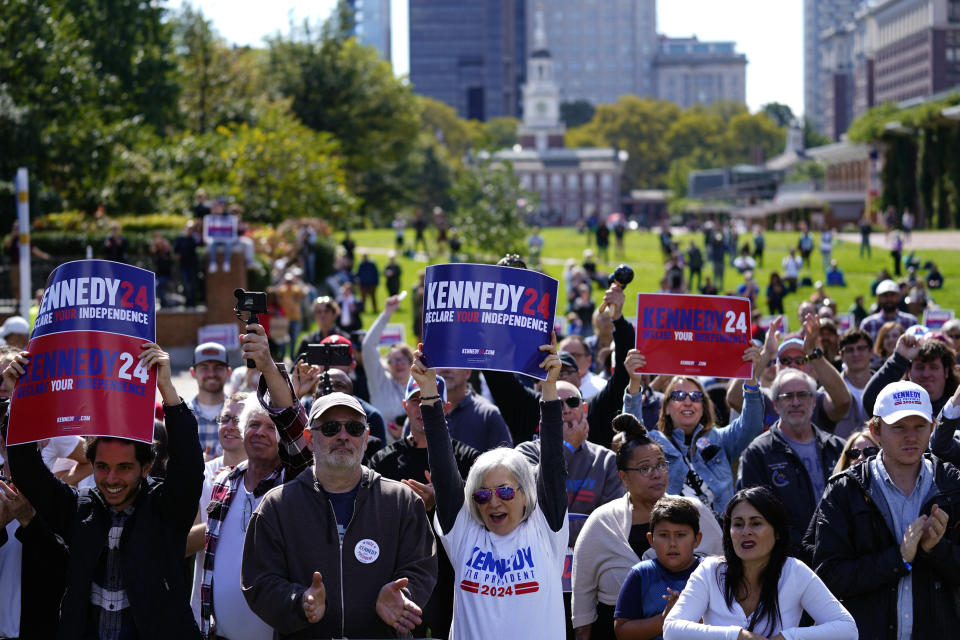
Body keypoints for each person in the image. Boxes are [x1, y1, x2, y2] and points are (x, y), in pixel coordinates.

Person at [6, 343, 206, 639]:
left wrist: (167, 388)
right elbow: (28, 472)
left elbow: (189, 464)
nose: (111, 478)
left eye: (124, 467)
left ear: (146, 467)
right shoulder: (78, 509)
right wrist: (18, 399)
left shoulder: (167, 509)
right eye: (102, 467)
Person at [240, 387, 437, 638]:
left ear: (365, 438)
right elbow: (260, 582)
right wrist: (300, 603)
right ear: (310, 438)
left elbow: (421, 567)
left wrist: (403, 597)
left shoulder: (402, 502)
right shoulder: (277, 506)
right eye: (331, 428)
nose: (343, 436)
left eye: (354, 429)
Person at [416, 339, 569, 640]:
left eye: (506, 492)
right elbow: (445, 474)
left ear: (526, 495)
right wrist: (428, 392)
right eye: (482, 495)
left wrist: (549, 389)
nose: (493, 502)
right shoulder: (464, 533)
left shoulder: (545, 528)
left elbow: (552, 463)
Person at [808, 381, 960, 638]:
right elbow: (828, 577)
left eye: (920, 426)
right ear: (875, 431)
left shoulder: (953, 485)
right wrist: (898, 559)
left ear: (932, 428)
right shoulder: (845, 489)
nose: (911, 436)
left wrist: (937, 549)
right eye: (899, 427)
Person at [198, 325, 311, 639]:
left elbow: (291, 421)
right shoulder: (223, 483)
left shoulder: (295, 483)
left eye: (269, 427)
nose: (260, 432)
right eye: (253, 425)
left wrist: (267, 366)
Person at [573, 418, 722, 640]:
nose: (657, 473)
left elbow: (726, 572)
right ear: (623, 476)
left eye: (662, 464)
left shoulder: (695, 511)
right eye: (645, 468)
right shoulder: (602, 522)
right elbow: (582, 608)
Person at [663, 486, 857, 639]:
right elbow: (672, 630)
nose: (746, 531)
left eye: (756, 523)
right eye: (738, 524)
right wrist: (737, 636)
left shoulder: (795, 572)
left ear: (777, 532)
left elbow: (847, 629)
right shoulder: (709, 571)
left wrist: (788, 637)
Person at [368, 374, 479, 639]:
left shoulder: (468, 459)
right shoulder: (383, 462)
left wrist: (441, 504)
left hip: (452, 576)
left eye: (432, 402)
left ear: (446, 409)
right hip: (399, 576)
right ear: (405, 406)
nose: (422, 409)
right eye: (416, 401)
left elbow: (483, 513)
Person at [622, 345, 764, 517]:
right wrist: (634, 382)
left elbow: (752, 425)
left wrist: (750, 378)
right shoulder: (653, 444)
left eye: (696, 397)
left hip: (719, 537)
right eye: (679, 396)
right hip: (674, 536)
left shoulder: (720, 439)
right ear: (666, 407)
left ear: (703, 407)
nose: (688, 402)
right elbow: (631, 434)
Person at [486, 282, 632, 448]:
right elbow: (495, 373)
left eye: (565, 371)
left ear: (579, 378)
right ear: (540, 380)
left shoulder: (596, 410)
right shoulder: (526, 407)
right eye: (552, 370)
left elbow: (622, 375)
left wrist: (618, 319)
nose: (558, 375)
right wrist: (495, 313)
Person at [737, 368, 845, 558]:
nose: (796, 403)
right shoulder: (758, 453)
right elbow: (756, 516)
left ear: (813, 401)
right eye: (787, 397)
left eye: (802, 395)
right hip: (786, 564)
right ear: (775, 404)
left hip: (839, 559)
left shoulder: (837, 448)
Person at [612, 496, 708, 640]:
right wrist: (665, 619)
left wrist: (695, 619)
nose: (672, 543)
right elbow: (622, 631)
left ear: (697, 539)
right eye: (663, 535)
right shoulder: (641, 574)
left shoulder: (711, 572)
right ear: (651, 540)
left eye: (681, 535)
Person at [863, 331, 959, 420]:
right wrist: (899, 359)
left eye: (933, 367)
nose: (926, 374)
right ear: (909, 372)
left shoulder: (957, 408)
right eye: (920, 367)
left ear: (946, 372)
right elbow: (870, 400)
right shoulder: (896, 406)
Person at [362, 294, 415, 440]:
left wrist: (406, 431)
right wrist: (387, 314)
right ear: (387, 365)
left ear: (411, 362)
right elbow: (368, 347)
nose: (399, 363)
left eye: (403, 359)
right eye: (393, 360)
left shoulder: (420, 387)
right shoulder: (380, 382)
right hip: (383, 452)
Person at [436, 367, 512, 452]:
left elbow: (505, 462)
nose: (445, 369)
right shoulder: (421, 412)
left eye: (453, 362)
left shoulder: (488, 415)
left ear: (468, 372)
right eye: (440, 362)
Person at [190, 342, 232, 458]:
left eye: (218, 368)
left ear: (228, 372)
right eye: (204, 368)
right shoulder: (181, 414)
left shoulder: (241, 413)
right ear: (193, 373)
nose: (211, 374)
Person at [833, 328, 874, 439]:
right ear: (841, 355)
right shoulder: (830, 391)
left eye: (861, 348)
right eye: (849, 350)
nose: (856, 354)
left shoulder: (884, 388)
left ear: (871, 352)